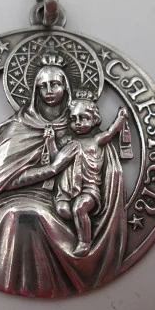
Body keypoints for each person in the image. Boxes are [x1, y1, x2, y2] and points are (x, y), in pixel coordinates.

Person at [0, 58, 127, 297]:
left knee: (45, 214)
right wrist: (46, 170)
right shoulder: (18, 127)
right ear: (35, 90)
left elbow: (102, 157)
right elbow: (0, 177)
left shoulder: (81, 126)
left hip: (71, 194)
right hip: (14, 197)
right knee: (14, 216)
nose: (49, 91)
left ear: (66, 87)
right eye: (43, 86)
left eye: (55, 84)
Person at [10, 93, 129, 257]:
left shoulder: (96, 141)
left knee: (80, 207)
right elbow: (56, 159)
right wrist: (50, 141)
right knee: (62, 210)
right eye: (73, 119)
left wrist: (121, 118)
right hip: (66, 191)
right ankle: (76, 229)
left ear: (95, 120)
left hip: (89, 189)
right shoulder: (69, 144)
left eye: (83, 118)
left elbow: (111, 131)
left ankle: (85, 242)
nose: (78, 123)